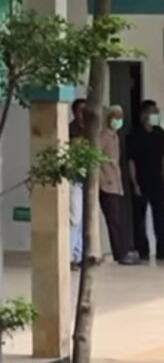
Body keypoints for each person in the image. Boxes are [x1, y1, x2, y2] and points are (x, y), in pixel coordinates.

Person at [127, 101, 164, 262]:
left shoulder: (159, 133)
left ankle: (163, 249)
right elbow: (131, 161)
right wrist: (134, 183)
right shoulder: (133, 135)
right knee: (140, 218)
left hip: (158, 180)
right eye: (152, 112)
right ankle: (143, 249)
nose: (155, 115)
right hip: (142, 180)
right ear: (143, 115)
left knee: (160, 217)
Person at [97, 106, 138, 265]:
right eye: (115, 117)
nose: (118, 120)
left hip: (116, 183)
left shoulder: (115, 136)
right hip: (107, 183)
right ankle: (119, 253)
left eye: (120, 117)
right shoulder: (104, 136)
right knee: (113, 219)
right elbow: (96, 159)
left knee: (119, 219)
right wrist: (101, 179)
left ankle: (123, 250)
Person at [67, 99, 89, 269]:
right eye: (81, 110)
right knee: (74, 218)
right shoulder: (71, 129)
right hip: (74, 178)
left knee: (83, 221)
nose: (84, 113)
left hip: (88, 180)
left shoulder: (90, 130)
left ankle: (79, 255)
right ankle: (69, 256)